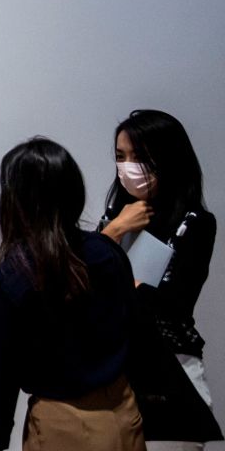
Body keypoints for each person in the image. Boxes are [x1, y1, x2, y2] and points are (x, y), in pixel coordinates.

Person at [0, 138, 145, 451]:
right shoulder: (107, 253)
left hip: (63, 424)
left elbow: (3, 369)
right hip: (124, 412)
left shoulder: (15, 275)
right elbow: (134, 332)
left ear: (15, 200)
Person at [99, 110, 222, 449]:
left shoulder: (194, 222)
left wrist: (122, 291)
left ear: (167, 158)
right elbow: (83, 289)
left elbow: (171, 302)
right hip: (113, 378)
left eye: (139, 156)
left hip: (170, 375)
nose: (128, 166)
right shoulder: (112, 222)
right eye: (121, 157)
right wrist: (114, 230)